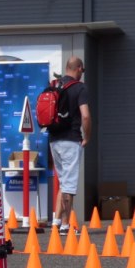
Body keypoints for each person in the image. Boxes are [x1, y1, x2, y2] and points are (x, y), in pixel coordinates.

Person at [49, 56, 91, 235]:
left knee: (63, 181)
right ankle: (66, 226)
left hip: (53, 140)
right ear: (79, 68)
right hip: (71, 140)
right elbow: (86, 116)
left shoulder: (54, 85)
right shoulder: (80, 88)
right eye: (83, 69)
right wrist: (87, 137)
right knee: (69, 186)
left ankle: (56, 222)